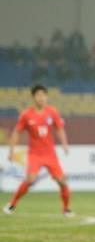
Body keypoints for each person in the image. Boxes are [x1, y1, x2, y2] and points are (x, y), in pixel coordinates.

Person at [4, 85, 72, 216]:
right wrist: (11, 150)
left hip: (50, 154)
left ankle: (66, 209)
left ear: (47, 97)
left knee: (62, 181)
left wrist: (64, 144)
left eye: (43, 95)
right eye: (38, 95)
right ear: (33, 97)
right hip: (35, 154)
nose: (41, 98)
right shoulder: (26, 114)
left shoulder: (52, 112)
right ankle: (12, 204)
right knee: (30, 179)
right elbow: (17, 132)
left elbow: (60, 128)